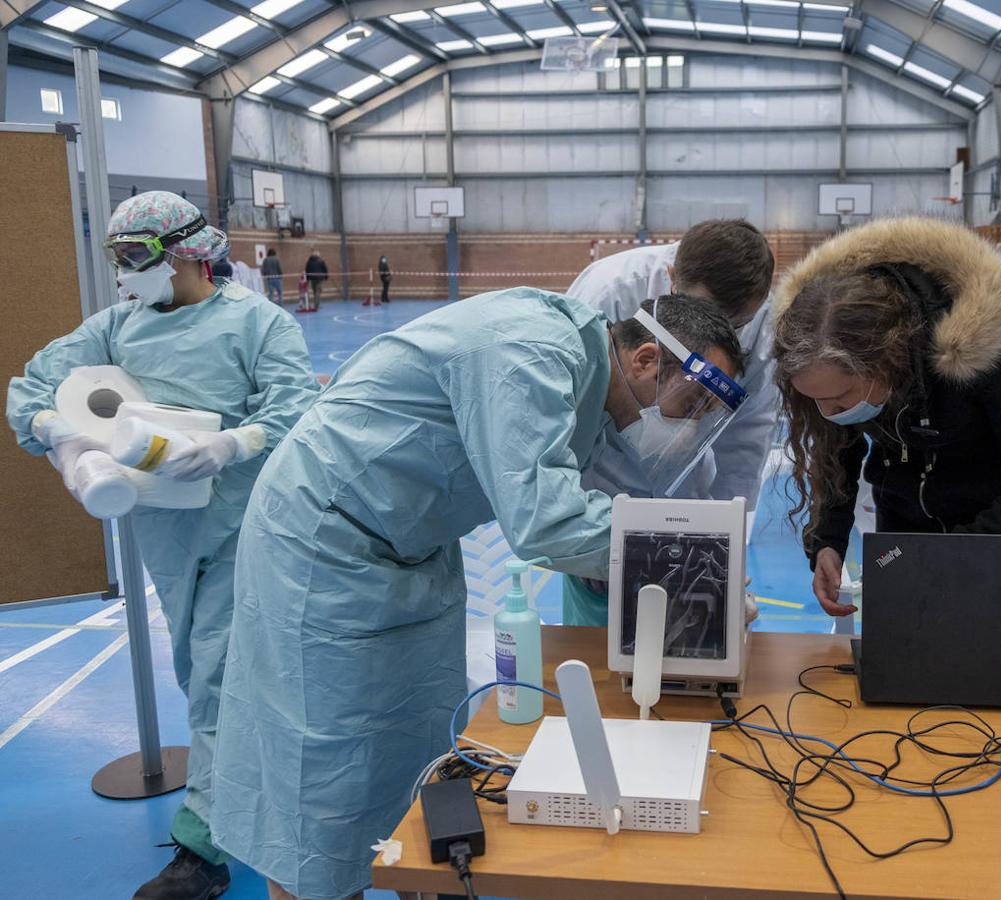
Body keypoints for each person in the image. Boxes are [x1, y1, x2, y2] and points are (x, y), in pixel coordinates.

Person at [210, 291, 745, 900]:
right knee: (321, 765)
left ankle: (417, 874)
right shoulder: (529, 353)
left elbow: (593, 509)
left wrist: (672, 553)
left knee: (418, 742)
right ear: (648, 359)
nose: (690, 422)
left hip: (413, 540)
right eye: (693, 402)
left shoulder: (589, 386)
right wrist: (700, 560)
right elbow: (546, 521)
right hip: (322, 543)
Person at [5, 191, 318, 900]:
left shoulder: (256, 323)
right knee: (199, 669)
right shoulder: (118, 327)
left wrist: (232, 442)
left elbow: (297, 407)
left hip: (247, 527)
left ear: (182, 251)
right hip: (165, 532)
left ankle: (204, 848)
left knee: (218, 677)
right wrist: (65, 437)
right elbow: (29, 388)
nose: (122, 276)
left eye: (132, 258)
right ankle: (235, 807)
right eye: (113, 259)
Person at [771, 217, 1001, 617]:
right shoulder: (829, 348)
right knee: (906, 654)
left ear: (887, 360)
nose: (828, 414)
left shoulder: (987, 349)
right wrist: (829, 539)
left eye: (841, 400)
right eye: (816, 403)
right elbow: (837, 454)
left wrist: (947, 557)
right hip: (905, 537)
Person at [562, 219, 776, 625]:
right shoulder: (609, 290)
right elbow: (567, 425)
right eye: (709, 314)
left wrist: (725, 544)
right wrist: (582, 540)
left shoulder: (763, 319)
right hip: (601, 487)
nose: (722, 334)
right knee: (598, 650)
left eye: (738, 325)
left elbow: (746, 440)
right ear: (672, 278)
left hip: (687, 490)